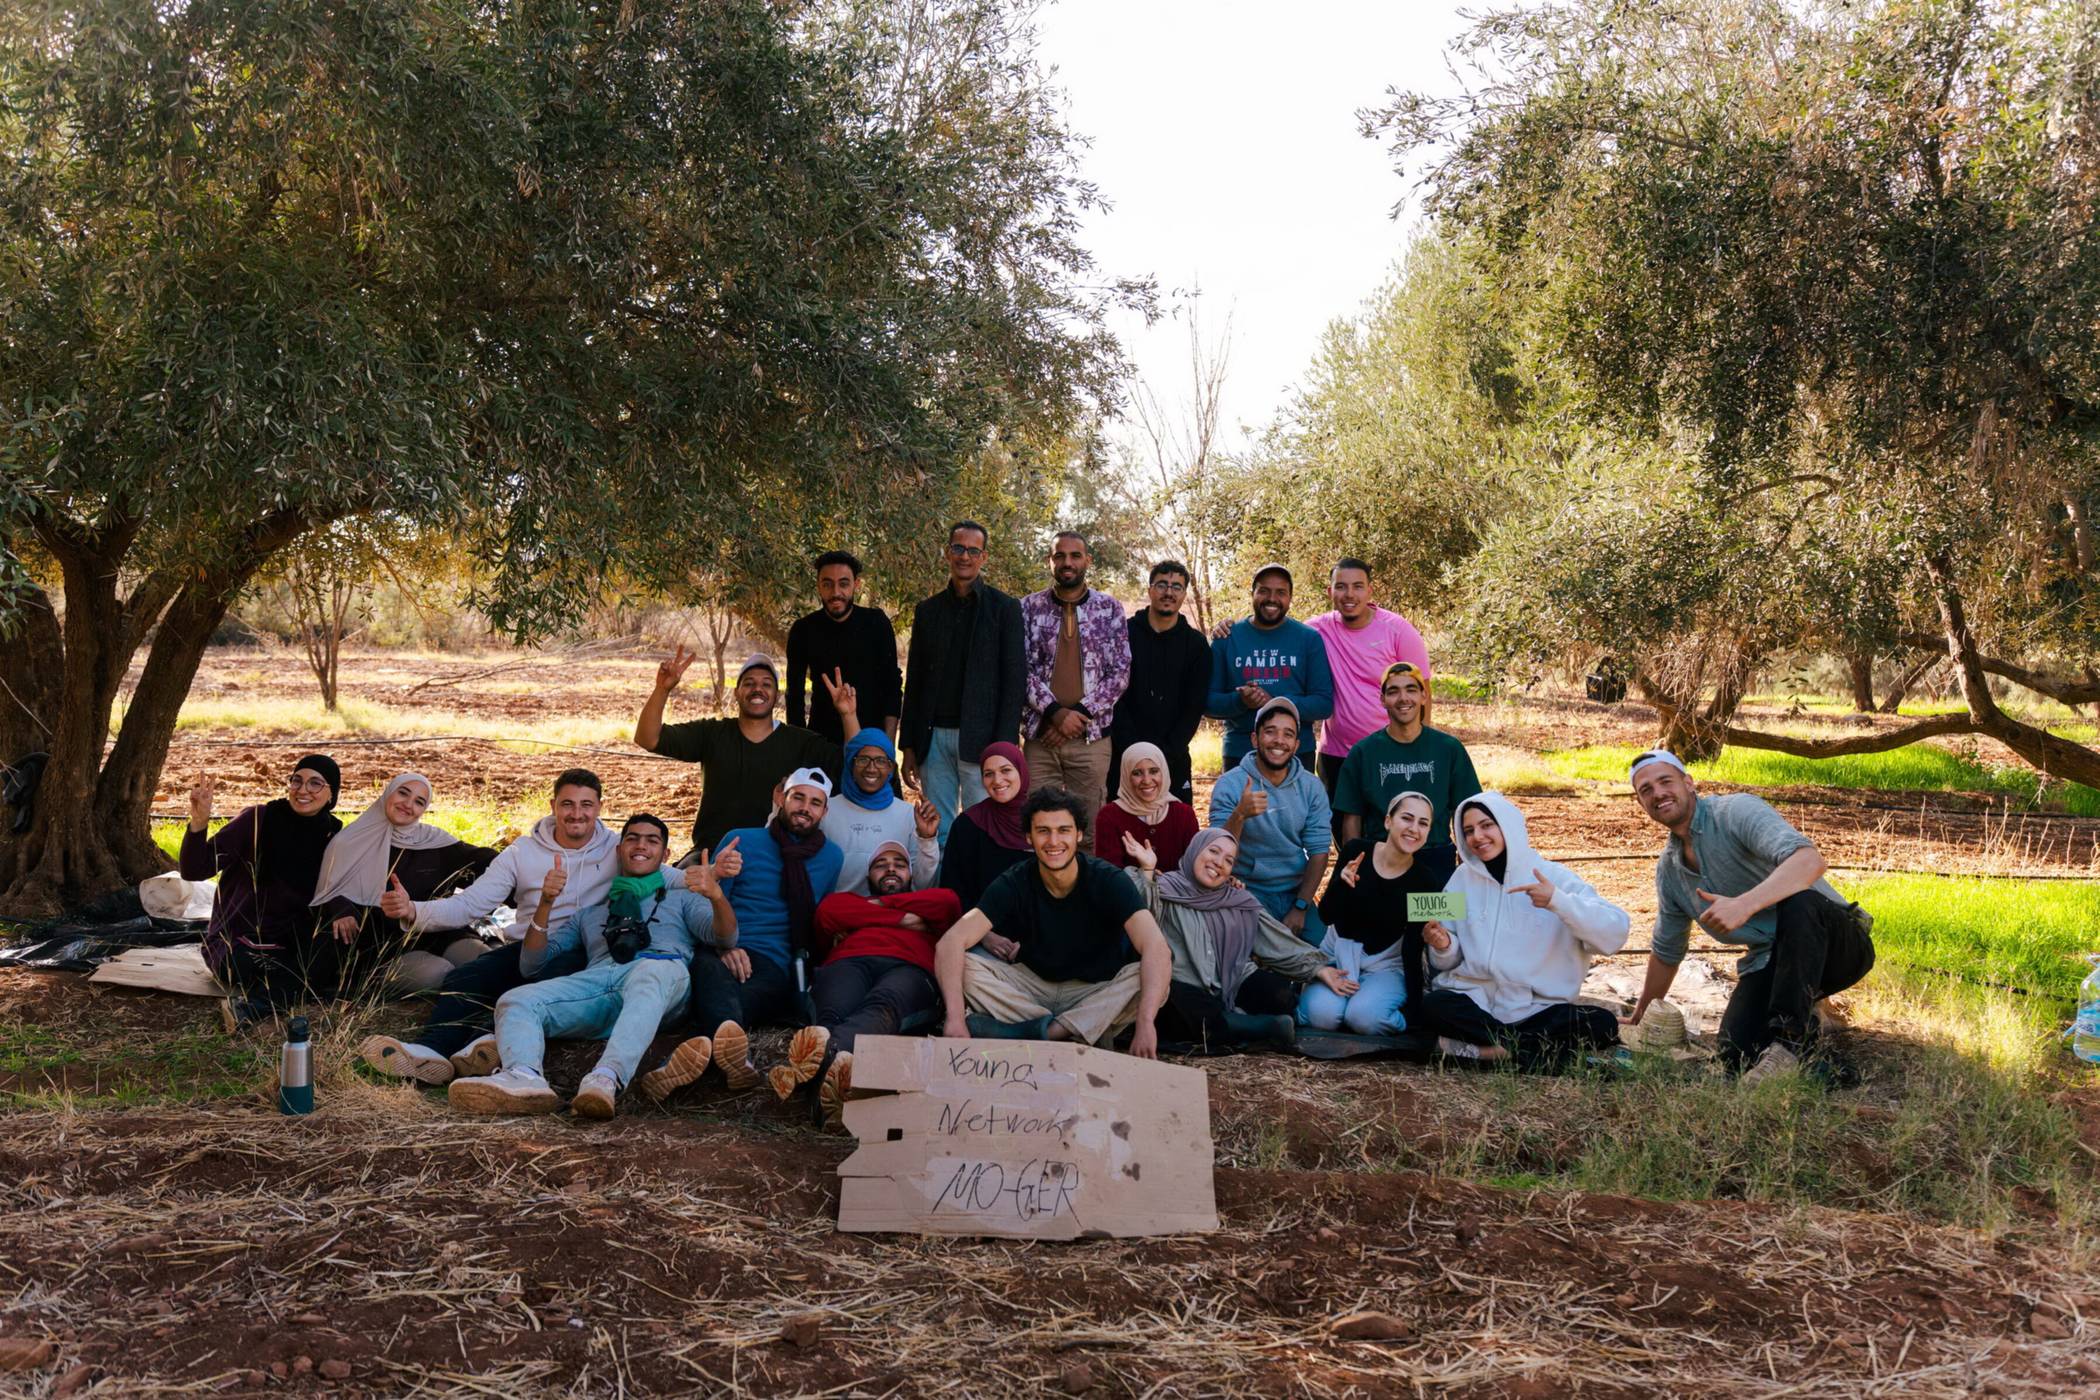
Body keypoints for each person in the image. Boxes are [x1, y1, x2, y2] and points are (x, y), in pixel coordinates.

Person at [446, 814, 738, 1119]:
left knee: (651, 972)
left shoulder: (682, 898)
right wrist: (545, 903)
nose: (641, 846)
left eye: (652, 841)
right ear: (618, 850)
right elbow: (532, 964)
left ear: (665, 855)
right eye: (632, 838)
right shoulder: (591, 913)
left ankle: (605, 1078)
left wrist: (716, 896)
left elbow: (726, 936)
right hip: (601, 981)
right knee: (517, 999)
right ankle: (523, 1077)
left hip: (662, 977)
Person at [359, 770, 628, 1086]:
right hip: (529, 947)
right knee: (466, 976)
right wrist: (413, 909)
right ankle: (431, 1053)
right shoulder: (523, 852)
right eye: (568, 804)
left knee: (534, 985)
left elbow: (657, 869)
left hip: (584, 953)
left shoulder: (617, 848)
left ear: (599, 807)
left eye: (587, 805)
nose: (577, 814)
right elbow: (470, 904)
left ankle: (482, 1044)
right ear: (553, 804)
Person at [1625, 750, 1875, 1082]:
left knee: (1800, 901)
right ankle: (1816, 1059)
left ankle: (1788, 1044)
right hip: (1773, 964)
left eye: (1665, 781)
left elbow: (1809, 861)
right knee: (1733, 1054)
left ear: (1688, 783)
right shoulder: (1671, 871)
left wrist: (1744, 904)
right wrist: (1643, 1013)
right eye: (1646, 790)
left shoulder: (1735, 812)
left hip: (1836, 945)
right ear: (1641, 804)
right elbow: (1668, 950)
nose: (1658, 793)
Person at [635, 767, 846, 1100]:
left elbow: (813, 920)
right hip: (723, 945)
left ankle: (685, 1061)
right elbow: (711, 900)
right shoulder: (742, 840)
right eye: (798, 798)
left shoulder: (833, 857)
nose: (805, 808)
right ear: (781, 798)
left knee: (726, 1002)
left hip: (776, 962)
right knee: (709, 973)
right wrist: (724, 947)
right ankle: (735, 1059)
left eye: (815, 803)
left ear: (824, 811)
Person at [934, 788, 1172, 1055]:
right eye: (1043, 831)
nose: (1053, 840)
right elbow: (951, 941)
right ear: (1029, 837)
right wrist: (955, 1019)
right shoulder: (1014, 880)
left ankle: (1044, 1032)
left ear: (1079, 834)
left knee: (1150, 974)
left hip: (1092, 990)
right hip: (1032, 987)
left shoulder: (1108, 880)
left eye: (1064, 830)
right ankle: (1078, 1030)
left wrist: (1145, 1022)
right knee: (964, 965)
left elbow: (1155, 945)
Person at [1417, 793, 1629, 1070]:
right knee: (1435, 1004)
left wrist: (1557, 901)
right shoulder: (1460, 879)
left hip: (1536, 1010)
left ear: (1508, 825)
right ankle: (1527, 1052)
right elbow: (1449, 961)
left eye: (1486, 825)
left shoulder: (1553, 877)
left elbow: (1614, 934)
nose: (1477, 837)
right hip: (1475, 1006)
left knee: (1602, 1023)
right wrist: (1443, 945)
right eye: (1468, 831)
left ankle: (1487, 1052)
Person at [770, 842, 964, 1125]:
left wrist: (870, 911)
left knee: (882, 1005)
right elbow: (828, 911)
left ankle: (819, 1066)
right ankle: (829, 1085)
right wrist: (906, 919)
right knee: (834, 1011)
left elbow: (947, 903)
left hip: (909, 968)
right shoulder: (849, 899)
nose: (890, 869)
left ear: (911, 875)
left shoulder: (929, 899)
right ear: (868, 877)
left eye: (899, 864)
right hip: (849, 962)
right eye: (880, 865)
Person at [1125, 827, 1337, 1052]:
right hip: (1183, 984)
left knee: (1280, 995)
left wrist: (1318, 967)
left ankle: (1236, 1019)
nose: (1218, 863)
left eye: (1228, 860)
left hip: (1231, 979)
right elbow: (1138, 913)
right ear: (1194, 850)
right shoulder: (1163, 889)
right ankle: (1256, 1027)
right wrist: (1147, 869)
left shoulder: (1236, 899)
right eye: (1213, 852)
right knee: (1179, 1005)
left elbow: (1274, 939)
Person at [636, 649, 855, 855]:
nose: (757, 689)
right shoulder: (712, 733)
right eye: (749, 684)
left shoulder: (801, 742)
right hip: (712, 853)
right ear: (737, 693)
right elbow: (647, 738)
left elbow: (854, 766)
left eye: (766, 684)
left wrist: (848, 715)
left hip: (776, 856)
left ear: (777, 696)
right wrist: (662, 689)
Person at [180, 756, 342, 1024]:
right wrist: (198, 823)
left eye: (315, 784)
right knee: (282, 969)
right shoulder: (258, 819)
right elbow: (196, 870)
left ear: (331, 794)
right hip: (238, 942)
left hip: (291, 942)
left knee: (329, 953)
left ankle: (253, 1007)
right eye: (297, 781)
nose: (303, 790)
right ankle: (273, 997)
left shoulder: (333, 836)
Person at [309, 772, 497, 995]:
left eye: (419, 802)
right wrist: (341, 910)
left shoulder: (433, 841)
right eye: (403, 793)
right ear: (388, 793)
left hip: (435, 931)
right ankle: (375, 981)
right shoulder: (349, 842)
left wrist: (520, 860)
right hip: (381, 947)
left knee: (483, 962)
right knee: (439, 974)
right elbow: (328, 891)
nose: (408, 805)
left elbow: (483, 861)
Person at [898, 520, 1025, 842]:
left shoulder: (1005, 609)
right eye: (958, 548)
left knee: (982, 827)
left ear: (983, 557)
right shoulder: (928, 611)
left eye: (972, 550)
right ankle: (942, 892)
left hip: (982, 739)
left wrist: (1004, 745)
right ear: (947, 553)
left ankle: (980, 893)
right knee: (938, 830)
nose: (964, 557)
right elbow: (914, 682)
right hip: (933, 739)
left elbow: (1014, 681)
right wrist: (909, 745)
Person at [1301, 792, 1455, 1037]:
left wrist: (1415, 1011)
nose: (1414, 829)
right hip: (1338, 953)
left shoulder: (1426, 879)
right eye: (1407, 818)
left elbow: (1413, 947)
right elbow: (1327, 916)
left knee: (1363, 1019)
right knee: (1322, 1017)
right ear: (1388, 821)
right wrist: (1341, 884)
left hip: (1385, 964)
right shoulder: (1356, 851)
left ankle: (1382, 1008)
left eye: (1423, 823)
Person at [1019, 531, 1130, 822]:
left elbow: (1120, 671)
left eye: (1075, 555)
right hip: (1041, 737)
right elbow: (1020, 669)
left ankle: (1087, 870)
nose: (1067, 562)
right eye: (1060, 556)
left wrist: (1078, 715)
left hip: (1091, 739)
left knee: (1090, 825)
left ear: (1088, 561)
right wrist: (1054, 714)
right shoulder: (1028, 608)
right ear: (1050, 561)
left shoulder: (1109, 609)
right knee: (1040, 823)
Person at [1207, 699, 1333, 945]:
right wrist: (1240, 815)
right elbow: (1214, 849)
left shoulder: (1311, 787)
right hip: (1244, 889)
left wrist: (1301, 906)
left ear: (1296, 745)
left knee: (1327, 957)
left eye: (1288, 734)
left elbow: (1319, 851)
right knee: (1257, 954)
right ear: (1255, 739)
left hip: (1293, 892)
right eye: (1270, 731)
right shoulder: (1231, 784)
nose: (1279, 740)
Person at [1306, 559, 1433, 800]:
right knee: (1343, 832)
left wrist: (1420, 750)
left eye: (1358, 586)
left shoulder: (1398, 630)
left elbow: (1424, 693)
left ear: (1370, 591)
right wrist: (1230, 628)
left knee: (1391, 829)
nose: (1349, 594)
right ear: (1330, 591)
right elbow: (1276, 632)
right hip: (1336, 756)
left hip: (1392, 752)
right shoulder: (1317, 630)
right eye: (1341, 586)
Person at [1333, 662, 1480, 851]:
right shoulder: (1363, 753)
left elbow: (1467, 811)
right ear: (1383, 699)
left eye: (1411, 690)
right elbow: (1351, 818)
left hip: (1435, 853)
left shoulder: (1449, 749)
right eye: (1393, 691)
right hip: (1382, 855)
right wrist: (1353, 861)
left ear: (1423, 696)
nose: (1403, 698)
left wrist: (1468, 863)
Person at [1207, 563, 1333, 766]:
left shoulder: (1308, 639)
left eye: (1281, 592)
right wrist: (1240, 701)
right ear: (1253, 593)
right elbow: (1207, 703)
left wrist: (1275, 701)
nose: (1272, 599)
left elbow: (1324, 704)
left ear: (1290, 598)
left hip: (1296, 754)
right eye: (1264, 591)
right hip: (1240, 753)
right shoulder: (1227, 638)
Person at [1110, 560, 1212, 804]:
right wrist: (1133, 752)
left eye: (1176, 587)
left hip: (1173, 756)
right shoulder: (1123, 634)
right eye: (1162, 585)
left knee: (1176, 833)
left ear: (1184, 594)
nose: (1168, 592)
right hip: (1123, 754)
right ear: (1149, 590)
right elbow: (1114, 695)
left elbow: (1193, 706)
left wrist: (1164, 754)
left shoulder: (1196, 645)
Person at [785, 549, 903, 745]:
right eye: (827, 584)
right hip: (822, 745)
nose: (836, 593)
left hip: (871, 745)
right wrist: (801, 750)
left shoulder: (876, 623)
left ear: (856, 585)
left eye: (844, 584)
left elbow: (892, 686)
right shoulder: (803, 630)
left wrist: (887, 747)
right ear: (819, 586)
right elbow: (794, 696)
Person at [820, 729, 941, 895]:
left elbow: (921, 886)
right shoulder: (826, 810)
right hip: (840, 913)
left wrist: (927, 839)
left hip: (892, 914)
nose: (871, 768)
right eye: (863, 760)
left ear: (891, 768)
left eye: (881, 761)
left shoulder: (908, 814)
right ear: (850, 764)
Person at [932, 741, 1033, 911]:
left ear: (1021, 770)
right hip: (980, 927)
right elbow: (954, 890)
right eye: (988, 774)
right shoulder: (968, 825)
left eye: (1006, 770)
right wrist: (986, 935)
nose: (997, 780)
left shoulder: (1042, 820)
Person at [1094, 742, 1199, 872]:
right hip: (1129, 892)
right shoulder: (1109, 816)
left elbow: (1195, 867)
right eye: (1137, 773)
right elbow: (1108, 873)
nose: (1147, 780)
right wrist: (1145, 876)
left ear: (1164, 772)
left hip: (1179, 892)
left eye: (1154, 771)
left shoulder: (1184, 814)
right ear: (1126, 775)